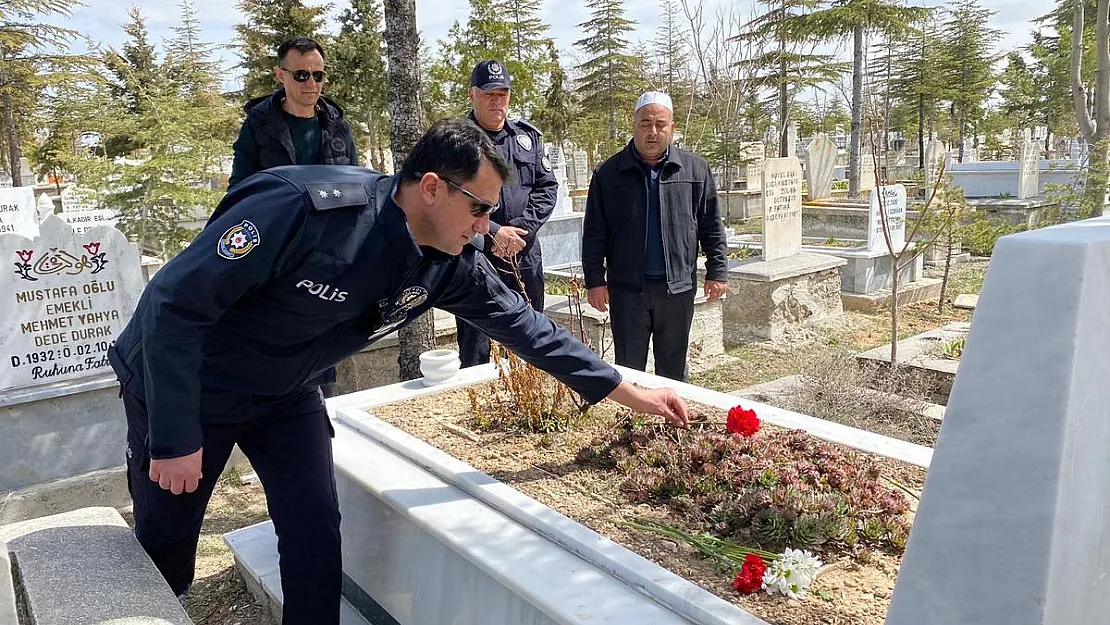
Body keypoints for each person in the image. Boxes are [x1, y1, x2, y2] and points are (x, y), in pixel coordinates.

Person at [108, 118, 690, 625]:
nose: (487, 226)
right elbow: (174, 307)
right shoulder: (304, 209)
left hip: (284, 392)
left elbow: (526, 328)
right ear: (432, 188)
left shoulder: (448, 262)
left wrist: (623, 389)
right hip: (191, 382)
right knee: (169, 538)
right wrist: (177, 433)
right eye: (480, 207)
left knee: (314, 529)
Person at [582, 91, 729, 382]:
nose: (652, 131)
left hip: (676, 288)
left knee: (674, 370)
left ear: (672, 127)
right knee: (629, 370)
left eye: (660, 124)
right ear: (634, 125)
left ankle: (671, 424)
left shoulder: (695, 170)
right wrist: (595, 281)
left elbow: (711, 225)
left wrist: (718, 270)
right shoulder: (608, 173)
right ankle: (631, 423)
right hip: (627, 290)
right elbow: (595, 232)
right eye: (645, 123)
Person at [455, 59, 558, 367]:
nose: (496, 101)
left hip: (523, 255)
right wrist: (494, 234)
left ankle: (527, 404)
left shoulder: (526, 138)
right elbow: (452, 199)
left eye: (502, 94)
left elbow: (546, 188)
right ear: (473, 95)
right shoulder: (457, 140)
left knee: (531, 338)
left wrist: (519, 232)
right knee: (476, 345)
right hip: (476, 255)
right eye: (489, 94)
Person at [227, 36, 358, 189]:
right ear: (281, 75)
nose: (311, 84)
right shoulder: (258, 124)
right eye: (301, 75)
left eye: (318, 75)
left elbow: (355, 181)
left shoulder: (338, 125)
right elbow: (239, 188)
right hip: (278, 212)